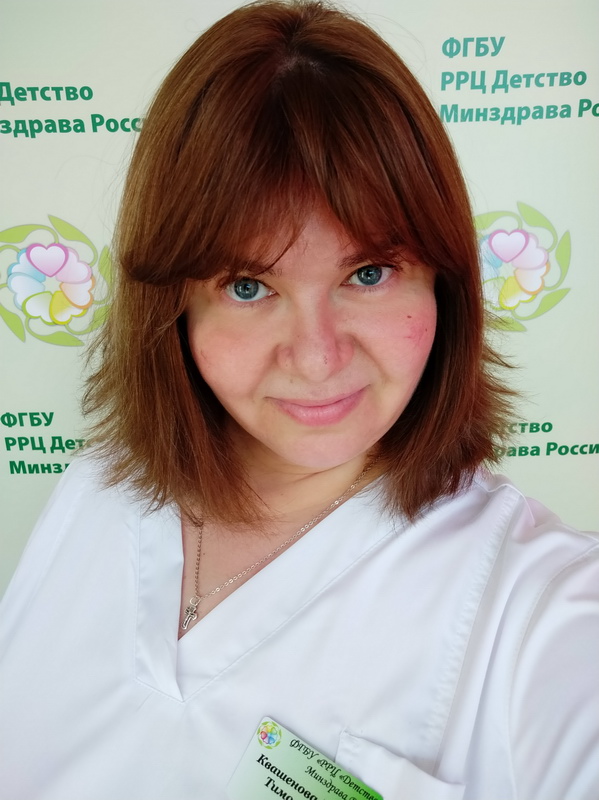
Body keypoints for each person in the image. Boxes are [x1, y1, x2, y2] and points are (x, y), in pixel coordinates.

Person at [0, 1, 597, 798]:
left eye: (368, 274)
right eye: (248, 286)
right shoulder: (96, 488)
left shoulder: (539, 605)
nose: (316, 356)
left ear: (443, 283)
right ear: (173, 307)